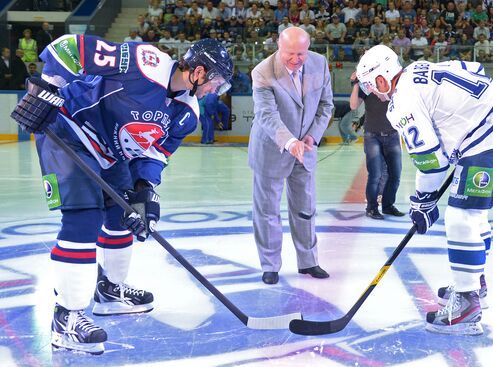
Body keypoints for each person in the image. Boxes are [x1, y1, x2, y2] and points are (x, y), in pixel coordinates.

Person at [11, 35, 233, 354]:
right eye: (217, 82)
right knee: (84, 217)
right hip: (70, 130)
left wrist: (144, 190)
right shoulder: (143, 62)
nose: (216, 89)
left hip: (110, 152)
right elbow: (70, 48)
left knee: (123, 214)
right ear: (198, 72)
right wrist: (47, 88)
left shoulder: (188, 113)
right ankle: (66, 317)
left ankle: (110, 291)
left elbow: (156, 152)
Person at [356, 45, 493, 335]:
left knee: (462, 217)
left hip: (488, 139)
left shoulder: (401, 103)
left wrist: (422, 200)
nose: (370, 92)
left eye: (368, 85)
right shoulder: (418, 68)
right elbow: (475, 70)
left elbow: (432, 162)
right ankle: (474, 282)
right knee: (473, 215)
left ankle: (467, 302)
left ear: (381, 79)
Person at [249, 27, 333, 285]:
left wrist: (312, 136)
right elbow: (267, 115)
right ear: (278, 46)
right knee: (267, 211)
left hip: (305, 150)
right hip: (272, 149)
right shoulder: (263, 71)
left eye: (301, 54)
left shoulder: (320, 63)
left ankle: (308, 261)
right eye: (289, 54)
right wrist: (290, 142)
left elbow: (326, 105)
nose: (295, 59)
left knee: (305, 208)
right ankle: (270, 265)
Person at [349, 70, 405, 220]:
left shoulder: (394, 83)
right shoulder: (367, 85)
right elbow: (354, 105)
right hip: (372, 136)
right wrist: (355, 84)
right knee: (375, 174)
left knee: (395, 174)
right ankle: (372, 208)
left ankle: (387, 205)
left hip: (392, 134)